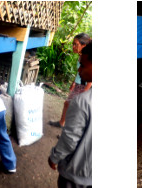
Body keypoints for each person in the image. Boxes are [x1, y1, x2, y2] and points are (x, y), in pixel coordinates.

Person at [49, 42, 92, 188]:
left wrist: (54, 157)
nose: (79, 70)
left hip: (76, 175)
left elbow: (70, 139)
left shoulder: (83, 102)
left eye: (83, 66)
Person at [50, 33, 92, 127]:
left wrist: (84, 93)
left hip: (84, 87)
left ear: (84, 45)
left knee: (75, 109)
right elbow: (79, 71)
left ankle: (70, 133)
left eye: (76, 44)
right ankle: (62, 123)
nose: (73, 46)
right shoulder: (82, 56)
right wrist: (74, 82)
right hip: (78, 85)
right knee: (67, 104)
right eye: (73, 44)